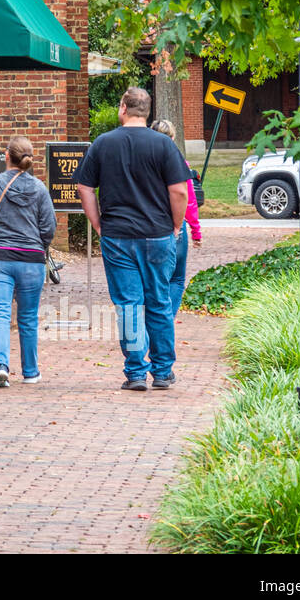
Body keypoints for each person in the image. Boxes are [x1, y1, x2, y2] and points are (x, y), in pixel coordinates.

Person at [73, 87, 189, 391]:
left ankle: (136, 371)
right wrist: (176, 226)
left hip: (118, 236)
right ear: (146, 111)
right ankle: (163, 372)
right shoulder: (164, 145)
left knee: (128, 305)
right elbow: (179, 191)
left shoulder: (103, 144)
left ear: (123, 108)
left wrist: (98, 223)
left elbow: (85, 188)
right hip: (158, 234)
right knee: (159, 302)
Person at [0, 136, 58, 387]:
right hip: (31, 261)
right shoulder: (40, 189)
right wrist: (37, 248)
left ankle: (1, 366)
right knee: (28, 317)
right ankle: (30, 372)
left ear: (6, 156)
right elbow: (49, 227)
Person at [151, 118, 202, 319]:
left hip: (149, 226)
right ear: (172, 138)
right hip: (175, 228)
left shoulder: (144, 163)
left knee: (154, 278)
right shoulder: (180, 163)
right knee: (177, 279)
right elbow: (188, 201)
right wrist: (196, 231)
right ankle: (166, 320)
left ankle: (155, 319)